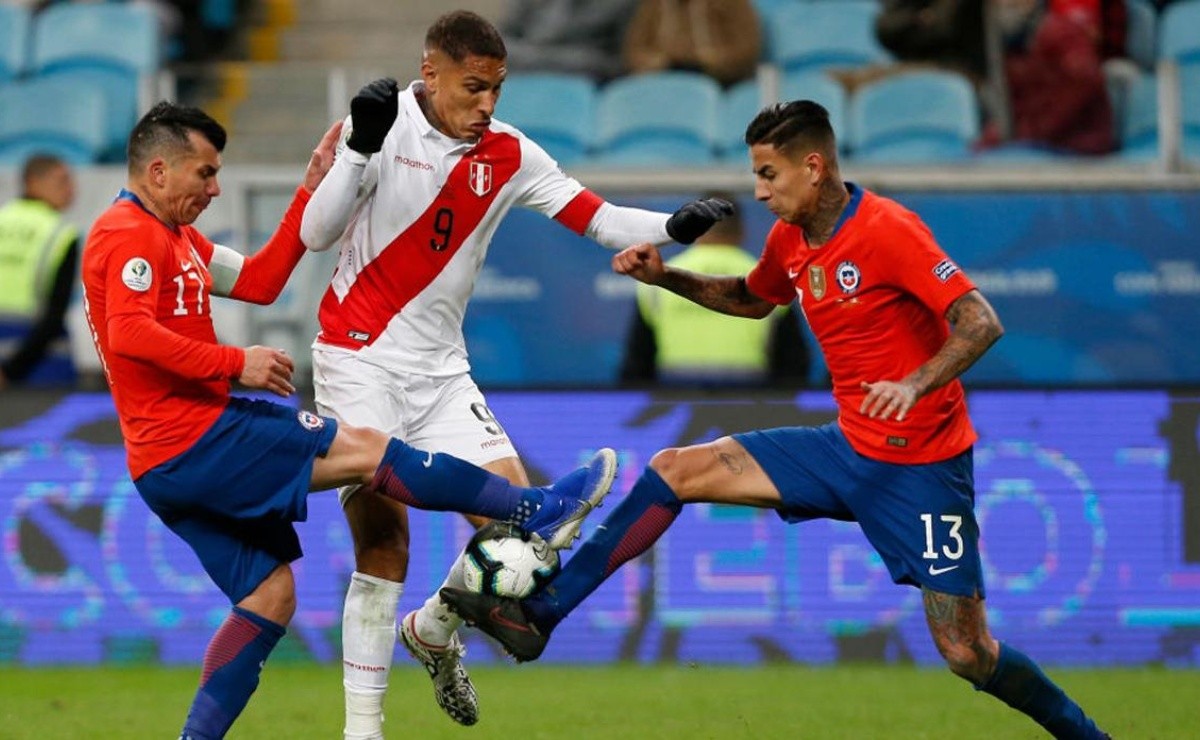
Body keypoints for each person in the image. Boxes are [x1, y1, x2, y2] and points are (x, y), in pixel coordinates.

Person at [441, 100, 1113, 739]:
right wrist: (665, 277)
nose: (759, 192)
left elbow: (979, 320)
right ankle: (542, 616)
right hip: (845, 451)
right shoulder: (791, 238)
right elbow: (753, 299)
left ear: (813, 167)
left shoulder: (889, 230)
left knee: (967, 652)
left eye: (768, 174)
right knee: (675, 470)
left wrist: (914, 382)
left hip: (923, 471)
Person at [80, 100, 619, 740]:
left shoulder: (175, 239)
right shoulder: (127, 233)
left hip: (162, 465)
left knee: (269, 598)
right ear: (160, 170)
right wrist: (234, 364)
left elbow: (259, 281)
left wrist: (308, 191)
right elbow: (130, 332)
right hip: (198, 438)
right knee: (366, 451)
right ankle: (533, 508)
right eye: (205, 174)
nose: (214, 187)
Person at [298, 10, 732, 736]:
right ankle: (362, 729)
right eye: (474, 88)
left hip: (440, 374)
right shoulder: (379, 122)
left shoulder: (508, 153)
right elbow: (315, 235)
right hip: (355, 357)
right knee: (384, 542)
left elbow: (599, 220)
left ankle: (434, 627)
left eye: (497, 88)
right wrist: (358, 148)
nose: (488, 105)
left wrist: (673, 228)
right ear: (430, 74)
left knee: (525, 541)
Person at [619, 192, 809, 387]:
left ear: (692, 230)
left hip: (677, 400)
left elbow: (637, 366)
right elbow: (793, 363)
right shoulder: (768, 279)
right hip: (749, 402)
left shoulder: (658, 279)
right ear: (741, 231)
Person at [980, 0, 1115, 155]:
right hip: (1034, 145)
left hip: (1075, 148)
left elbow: (1084, 82)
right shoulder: (1012, 46)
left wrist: (1029, 132)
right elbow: (1016, 106)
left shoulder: (1062, 34)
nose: (1004, 5)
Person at [0, 154, 78, 389]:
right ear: (32, 182)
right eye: (62, 180)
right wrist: (9, 370)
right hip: (42, 365)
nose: (71, 189)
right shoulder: (61, 234)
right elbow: (55, 314)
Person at [622, 0, 762, 87]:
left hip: (720, 83)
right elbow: (635, 50)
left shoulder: (731, 3)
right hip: (662, 79)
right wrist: (659, 62)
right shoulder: (653, 5)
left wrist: (708, 59)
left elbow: (746, 49)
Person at [501, 0, 641, 82]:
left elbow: (624, 65)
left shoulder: (625, 5)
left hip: (583, 92)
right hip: (520, 84)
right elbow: (499, 44)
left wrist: (537, 57)